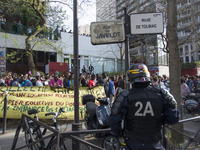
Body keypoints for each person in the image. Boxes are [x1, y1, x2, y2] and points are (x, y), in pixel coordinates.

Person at [110, 63, 180, 150]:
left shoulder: (126, 96)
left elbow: (114, 120)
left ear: (131, 77)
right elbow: (173, 118)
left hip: (133, 143)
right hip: (155, 143)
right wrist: (157, 121)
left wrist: (120, 133)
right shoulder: (161, 94)